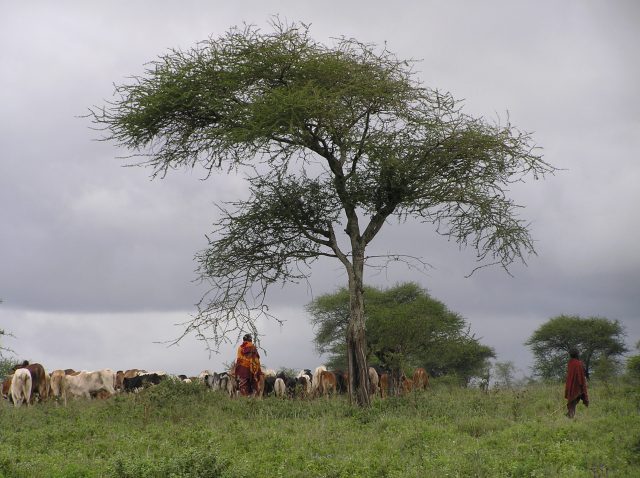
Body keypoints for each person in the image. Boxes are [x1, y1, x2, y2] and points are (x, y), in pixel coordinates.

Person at [564, 348, 589, 418]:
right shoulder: (579, 363)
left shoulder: (570, 363)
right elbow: (581, 376)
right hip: (577, 386)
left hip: (570, 385)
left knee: (573, 401)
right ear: (577, 354)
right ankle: (570, 415)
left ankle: (570, 414)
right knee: (573, 402)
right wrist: (582, 386)